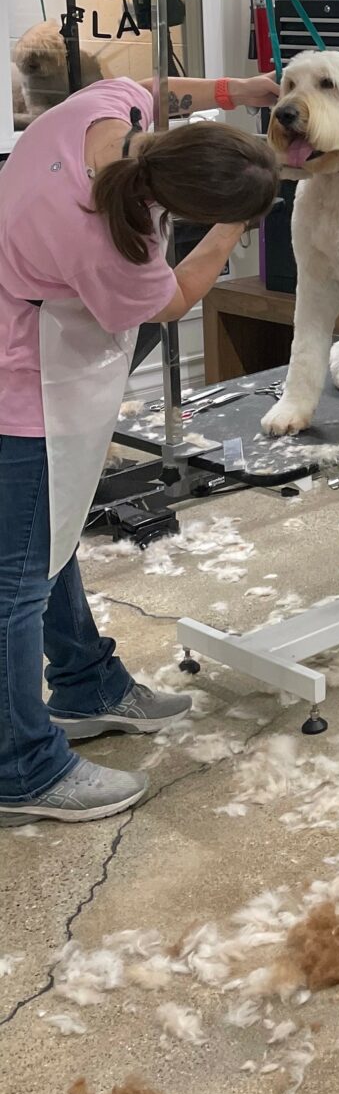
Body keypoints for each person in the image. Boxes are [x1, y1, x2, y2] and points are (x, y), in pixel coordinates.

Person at [0, 71, 281, 822]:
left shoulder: (100, 109)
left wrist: (242, 89)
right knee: (16, 582)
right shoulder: (106, 243)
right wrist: (233, 228)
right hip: (19, 383)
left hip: (33, 353)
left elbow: (159, 89)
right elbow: (176, 299)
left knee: (48, 541)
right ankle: (19, 766)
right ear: (187, 212)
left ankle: (88, 684)